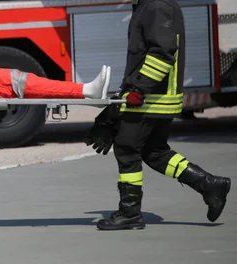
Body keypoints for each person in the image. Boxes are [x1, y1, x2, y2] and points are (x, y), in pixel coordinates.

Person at [84, 0, 231, 230]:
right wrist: (110, 113)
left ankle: (130, 212)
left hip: (151, 97)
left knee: (126, 147)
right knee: (154, 152)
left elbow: (162, 54)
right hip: (154, 96)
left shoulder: (157, 6)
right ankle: (209, 184)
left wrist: (139, 89)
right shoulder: (150, 5)